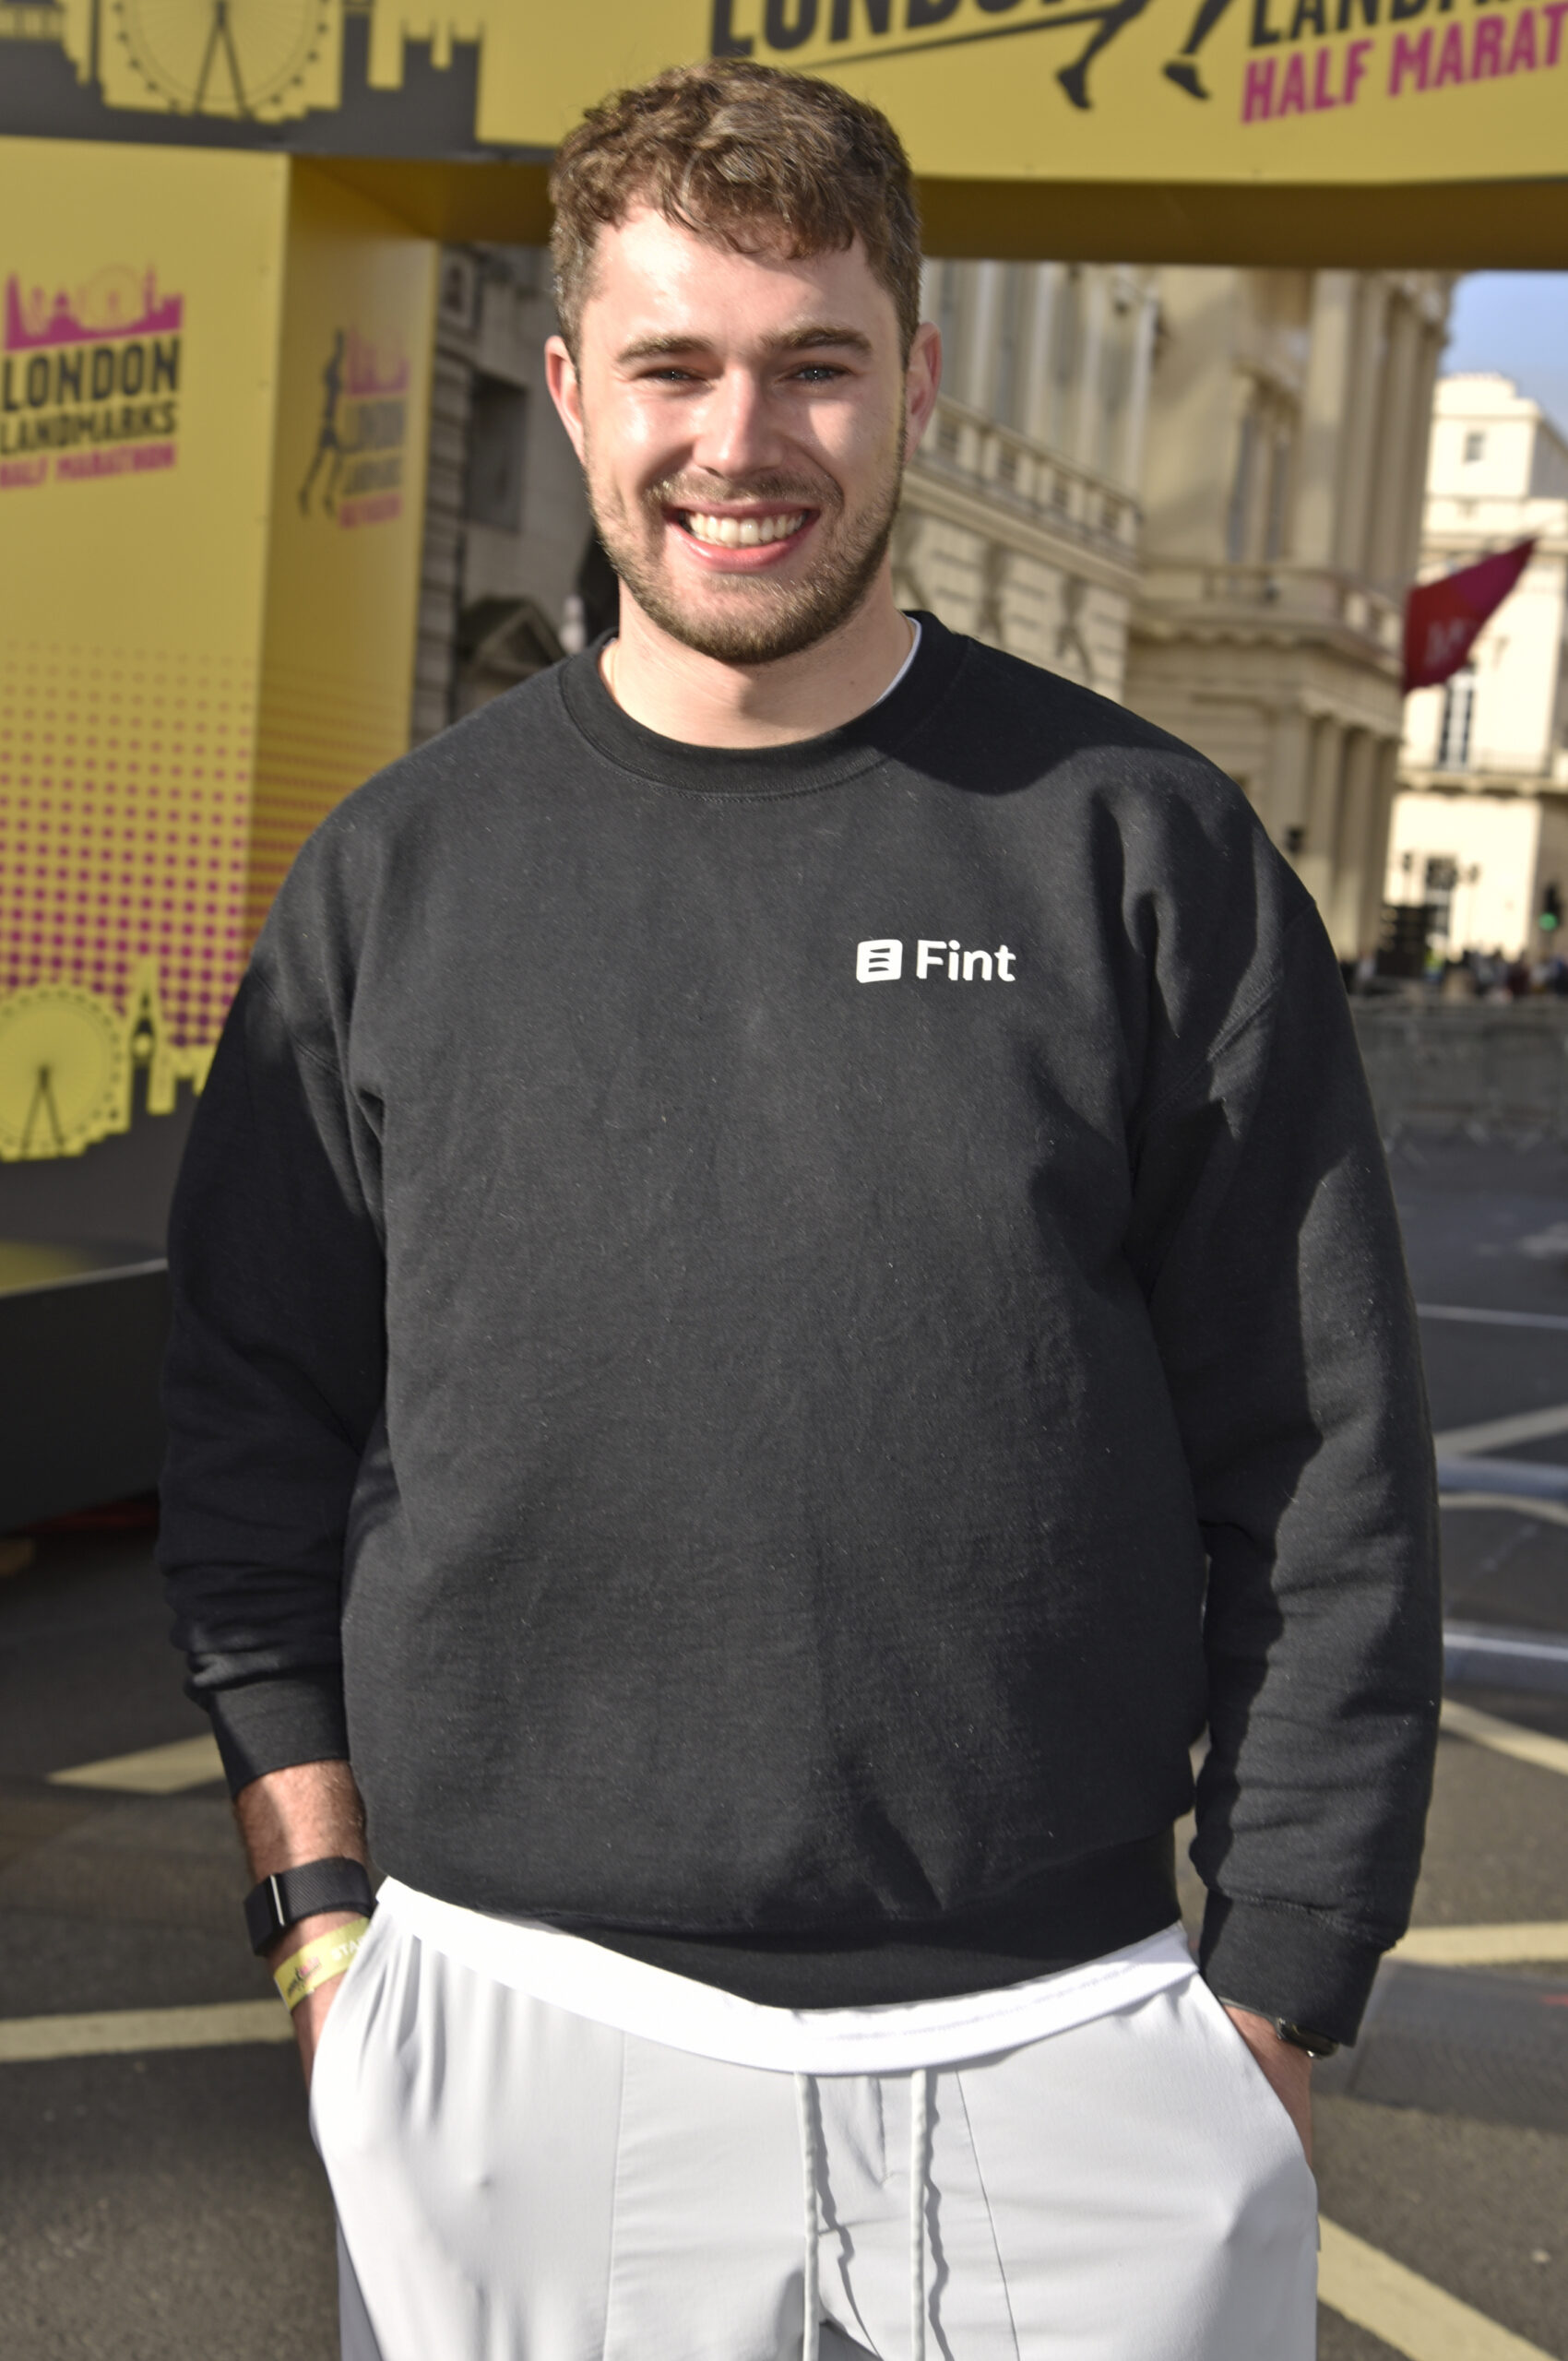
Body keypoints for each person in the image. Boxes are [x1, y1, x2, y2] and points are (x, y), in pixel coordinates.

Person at [160, 59, 1441, 2361]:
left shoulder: (1135, 845)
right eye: (670, 364)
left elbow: (1325, 1468)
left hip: (1078, 2041)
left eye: (812, 365)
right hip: (506, 2035)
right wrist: (325, 1935)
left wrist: (1279, 1995)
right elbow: (248, 1443)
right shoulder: (394, 880)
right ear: (570, 389)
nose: (737, 442)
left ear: (912, 380)